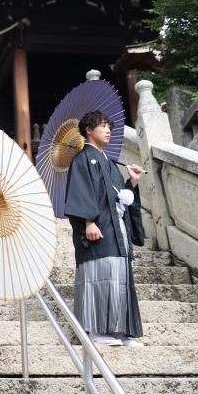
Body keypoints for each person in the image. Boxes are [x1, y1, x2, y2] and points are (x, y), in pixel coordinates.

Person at [64, 110, 145, 347]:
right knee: (98, 274)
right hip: (97, 227)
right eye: (102, 126)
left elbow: (119, 197)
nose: (108, 130)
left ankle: (118, 331)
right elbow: (80, 192)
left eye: (109, 127)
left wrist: (132, 183)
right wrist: (88, 222)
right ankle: (95, 331)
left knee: (118, 277)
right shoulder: (82, 159)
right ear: (89, 130)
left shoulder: (110, 163)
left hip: (116, 227)